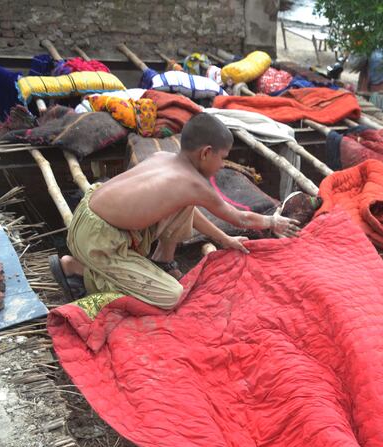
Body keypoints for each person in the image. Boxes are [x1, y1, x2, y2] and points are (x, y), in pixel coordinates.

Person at [49, 113, 301, 309]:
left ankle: (161, 260)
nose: (222, 164)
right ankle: (77, 269)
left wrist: (225, 239)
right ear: (205, 153)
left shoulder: (164, 158)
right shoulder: (191, 183)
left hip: (89, 217)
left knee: (184, 205)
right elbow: (240, 216)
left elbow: (190, 211)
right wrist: (272, 221)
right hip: (99, 241)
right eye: (222, 157)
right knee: (171, 295)